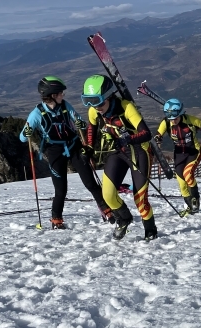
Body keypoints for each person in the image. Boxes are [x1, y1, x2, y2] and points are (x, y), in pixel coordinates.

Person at [19, 76, 112, 230]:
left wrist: (79, 123)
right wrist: (27, 132)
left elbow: (79, 120)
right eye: (61, 93)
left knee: (90, 182)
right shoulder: (36, 114)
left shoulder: (65, 106)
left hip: (74, 145)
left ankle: (107, 210)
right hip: (55, 151)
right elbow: (23, 138)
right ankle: (56, 219)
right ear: (53, 95)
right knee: (61, 189)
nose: (63, 95)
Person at [81, 74, 159, 241]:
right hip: (119, 151)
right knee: (107, 194)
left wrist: (128, 139)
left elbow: (146, 133)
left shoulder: (126, 107)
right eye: (88, 101)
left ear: (108, 95)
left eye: (98, 101)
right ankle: (123, 218)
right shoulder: (94, 110)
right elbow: (91, 129)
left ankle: (150, 230)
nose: (95, 106)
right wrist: (88, 148)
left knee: (140, 198)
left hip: (139, 150)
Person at [155, 98, 201, 214]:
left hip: (193, 152)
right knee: (181, 183)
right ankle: (190, 205)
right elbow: (158, 134)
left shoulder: (190, 120)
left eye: (175, 118)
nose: (173, 121)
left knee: (188, 175)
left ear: (180, 113)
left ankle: (195, 199)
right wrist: (158, 138)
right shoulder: (166, 122)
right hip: (179, 154)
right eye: (170, 118)